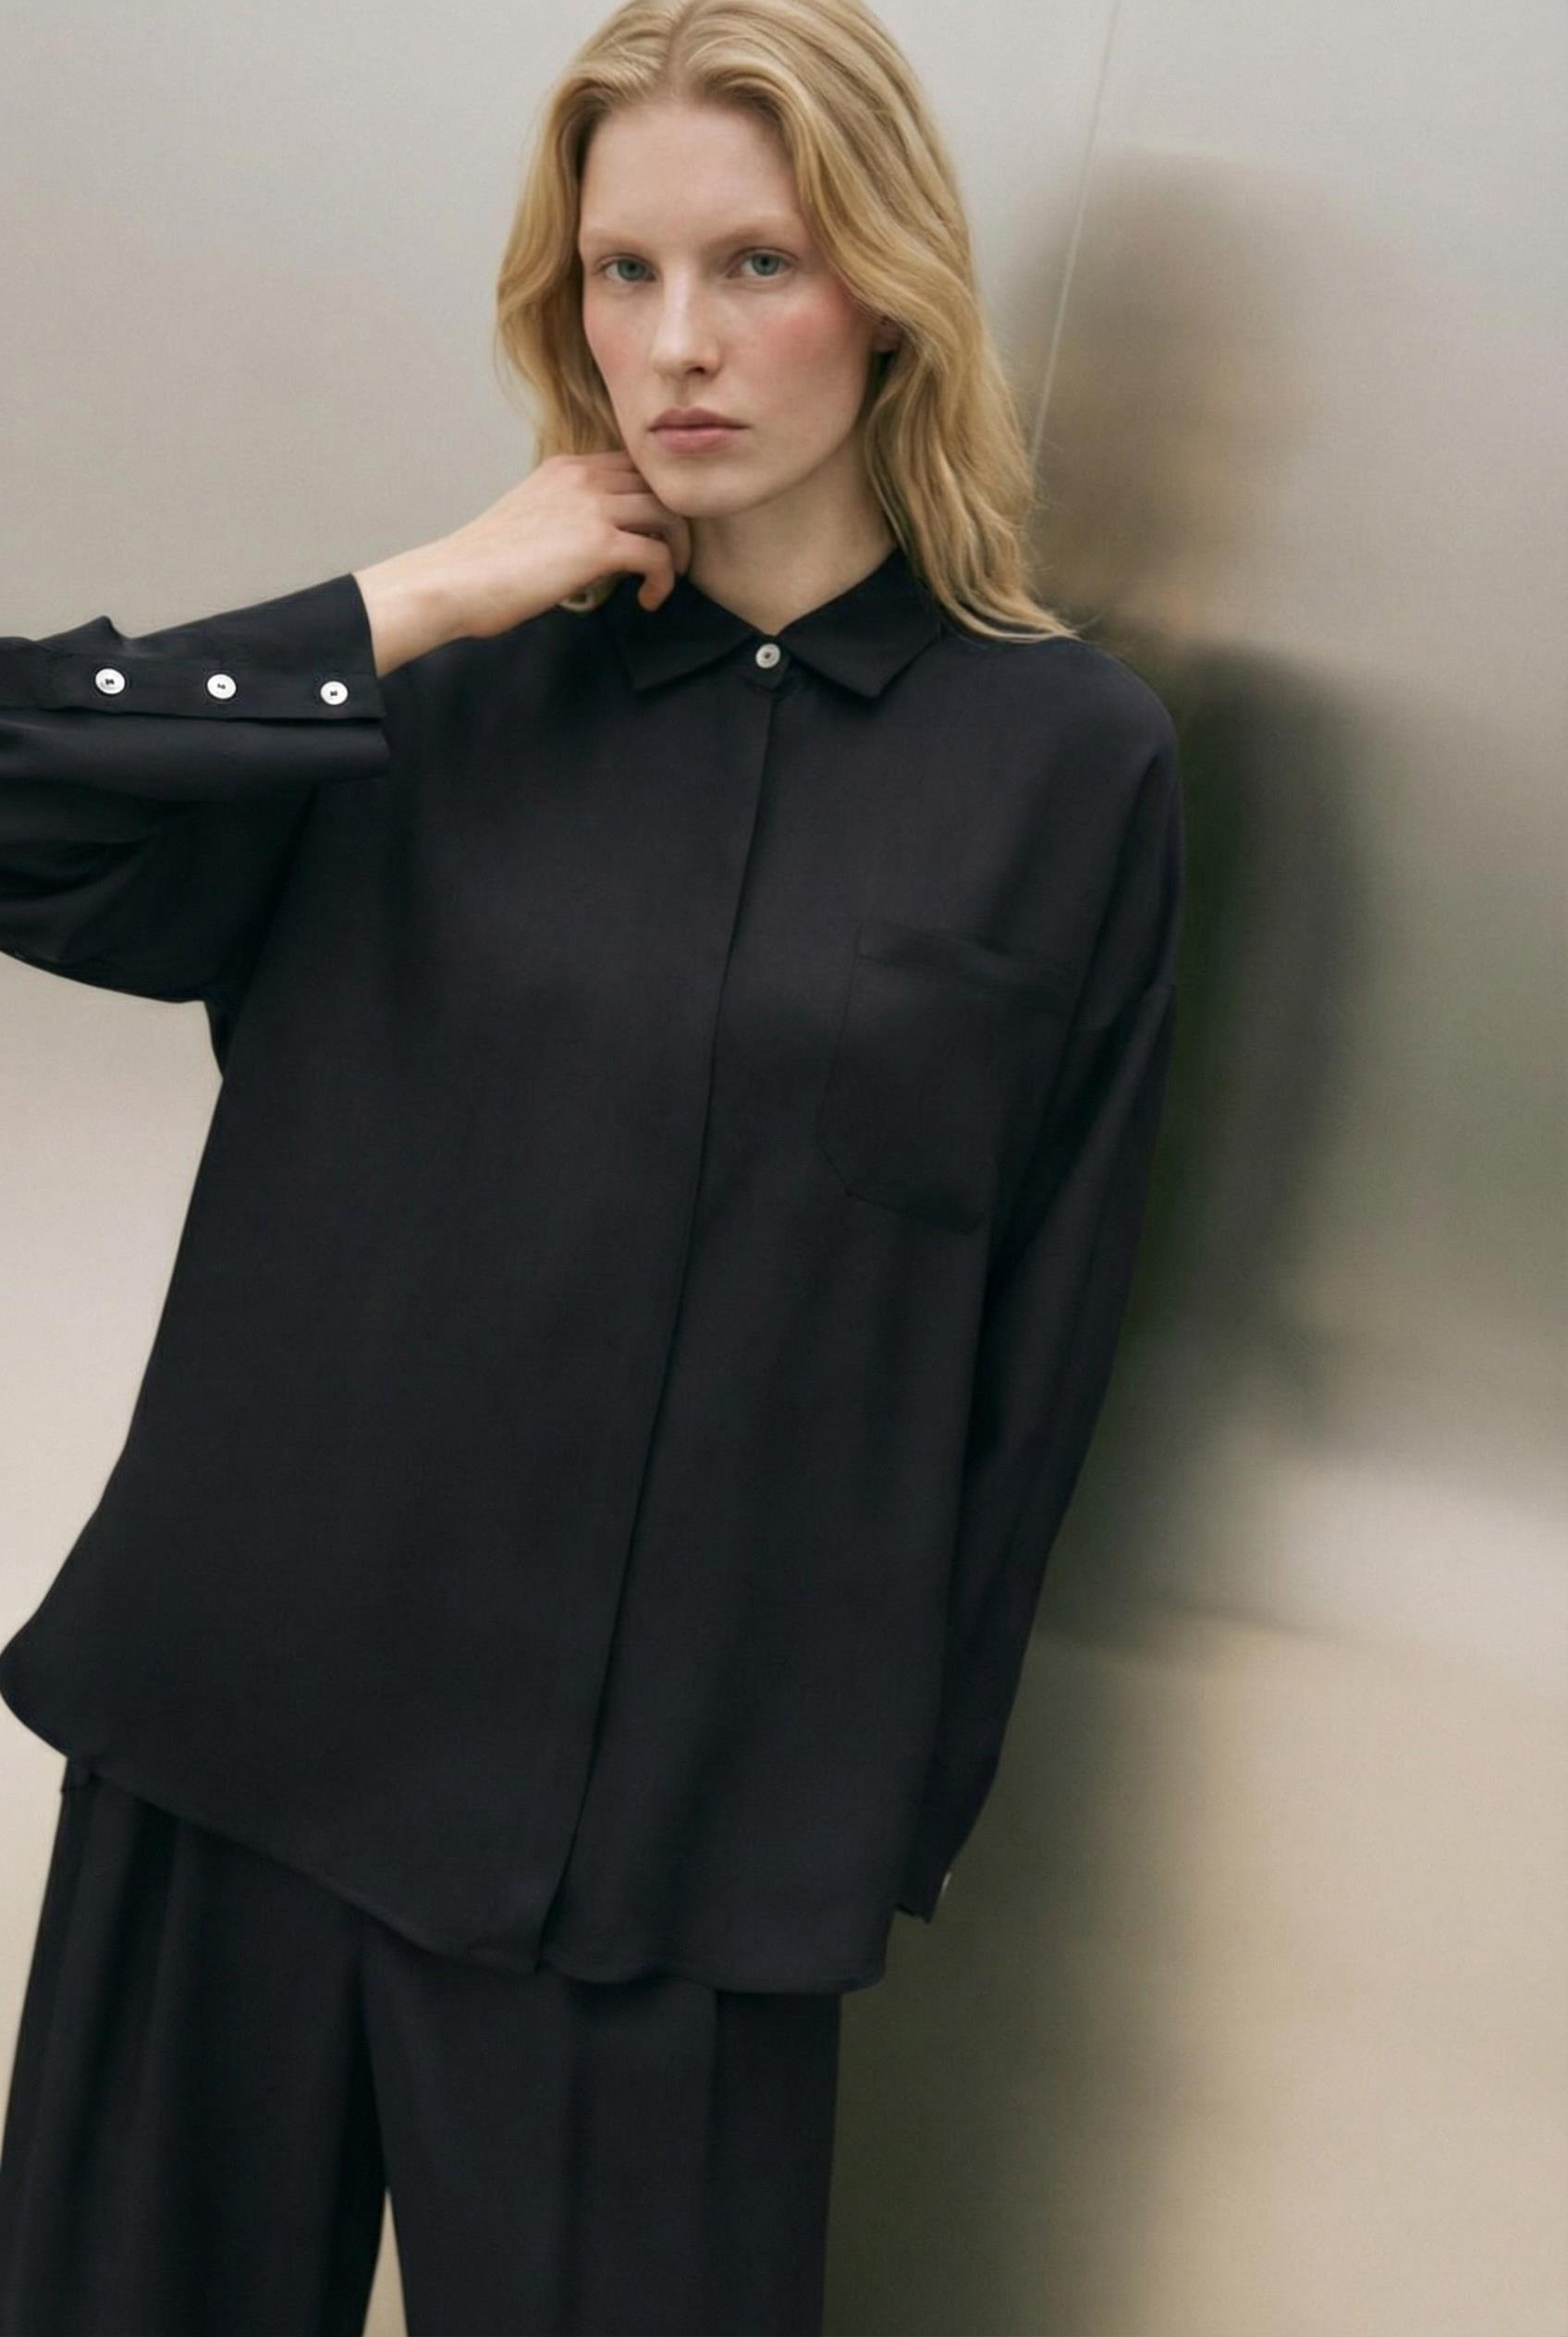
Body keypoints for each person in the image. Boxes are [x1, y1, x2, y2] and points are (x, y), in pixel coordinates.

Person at [0, 0, 1185, 2329]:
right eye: (618, 274)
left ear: (887, 291)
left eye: (752, 264)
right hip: (239, 1744)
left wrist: (860, 1817)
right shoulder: (434, 694)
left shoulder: (1064, 762)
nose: (675, 344)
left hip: (671, 1862)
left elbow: (1031, 1348)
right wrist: (404, 600)